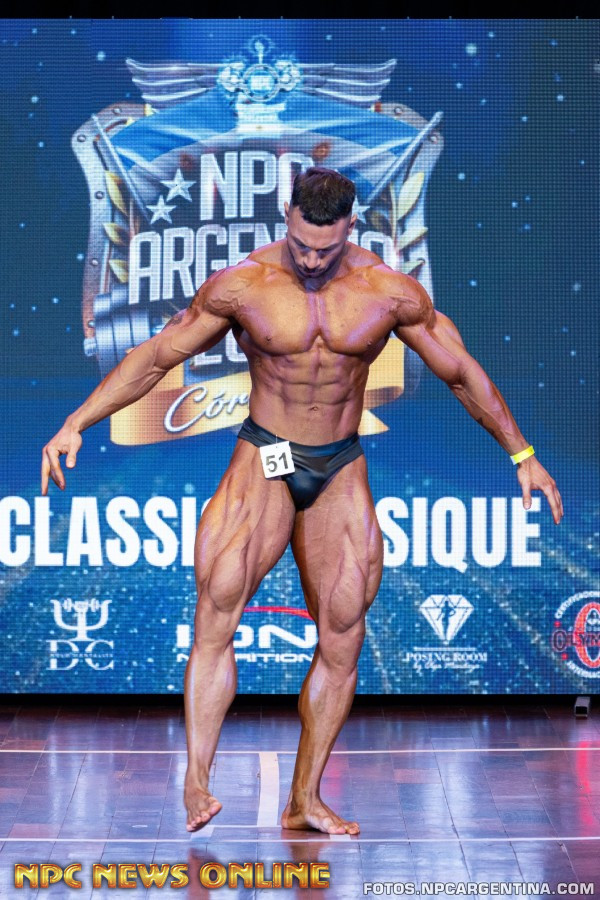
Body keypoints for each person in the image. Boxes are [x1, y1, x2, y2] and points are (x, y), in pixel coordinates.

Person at [41, 167, 563, 836]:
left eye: (326, 248)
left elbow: (459, 372)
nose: (312, 260)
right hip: (268, 453)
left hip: (338, 464)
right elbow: (156, 356)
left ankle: (305, 800)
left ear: (351, 228)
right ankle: (197, 782)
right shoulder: (244, 285)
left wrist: (522, 454)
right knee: (217, 608)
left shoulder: (389, 292)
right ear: (286, 219)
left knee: (343, 630)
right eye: (301, 245)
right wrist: (77, 423)